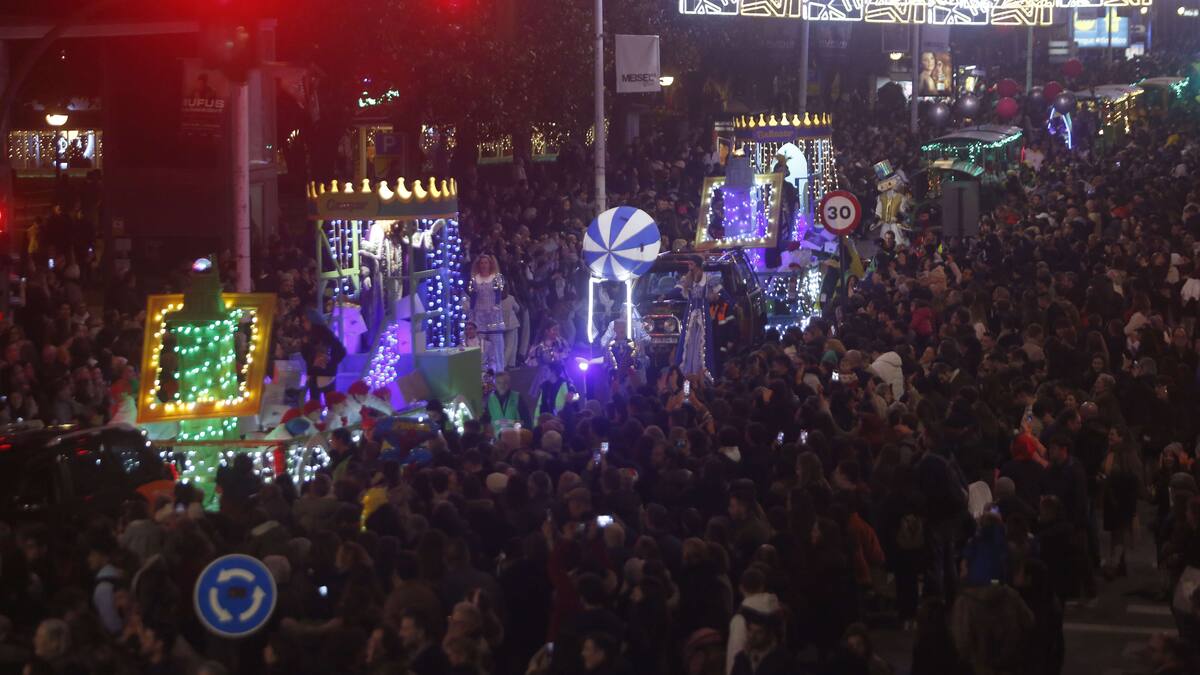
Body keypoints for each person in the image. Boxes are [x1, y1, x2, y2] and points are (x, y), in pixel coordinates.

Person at [673, 256, 724, 380]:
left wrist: (731, 302)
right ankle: (687, 372)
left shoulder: (708, 278)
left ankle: (701, 374)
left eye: (691, 263)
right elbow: (675, 291)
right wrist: (663, 295)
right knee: (688, 339)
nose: (689, 266)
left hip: (703, 313)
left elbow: (721, 293)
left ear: (697, 265)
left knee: (702, 339)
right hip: (690, 313)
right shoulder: (687, 279)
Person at [469, 254, 507, 374]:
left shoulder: (496, 278)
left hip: (493, 315)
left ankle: (499, 373)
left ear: (490, 264)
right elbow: (473, 297)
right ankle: (482, 375)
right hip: (479, 316)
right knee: (481, 347)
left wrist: (496, 305)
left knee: (497, 346)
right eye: (482, 263)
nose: (484, 265)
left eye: (486, 263)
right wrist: (471, 312)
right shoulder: (475, 280)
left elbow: (499, 294)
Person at [301, 309, 346, 404]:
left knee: (327, 404)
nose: (303, 324)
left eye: (305, 321)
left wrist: (329, 363)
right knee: (320, 405)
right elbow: (307, 356)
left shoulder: (325, 335)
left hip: (324, 376)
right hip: (316, 376)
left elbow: (341, 352)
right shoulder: (309, 336)